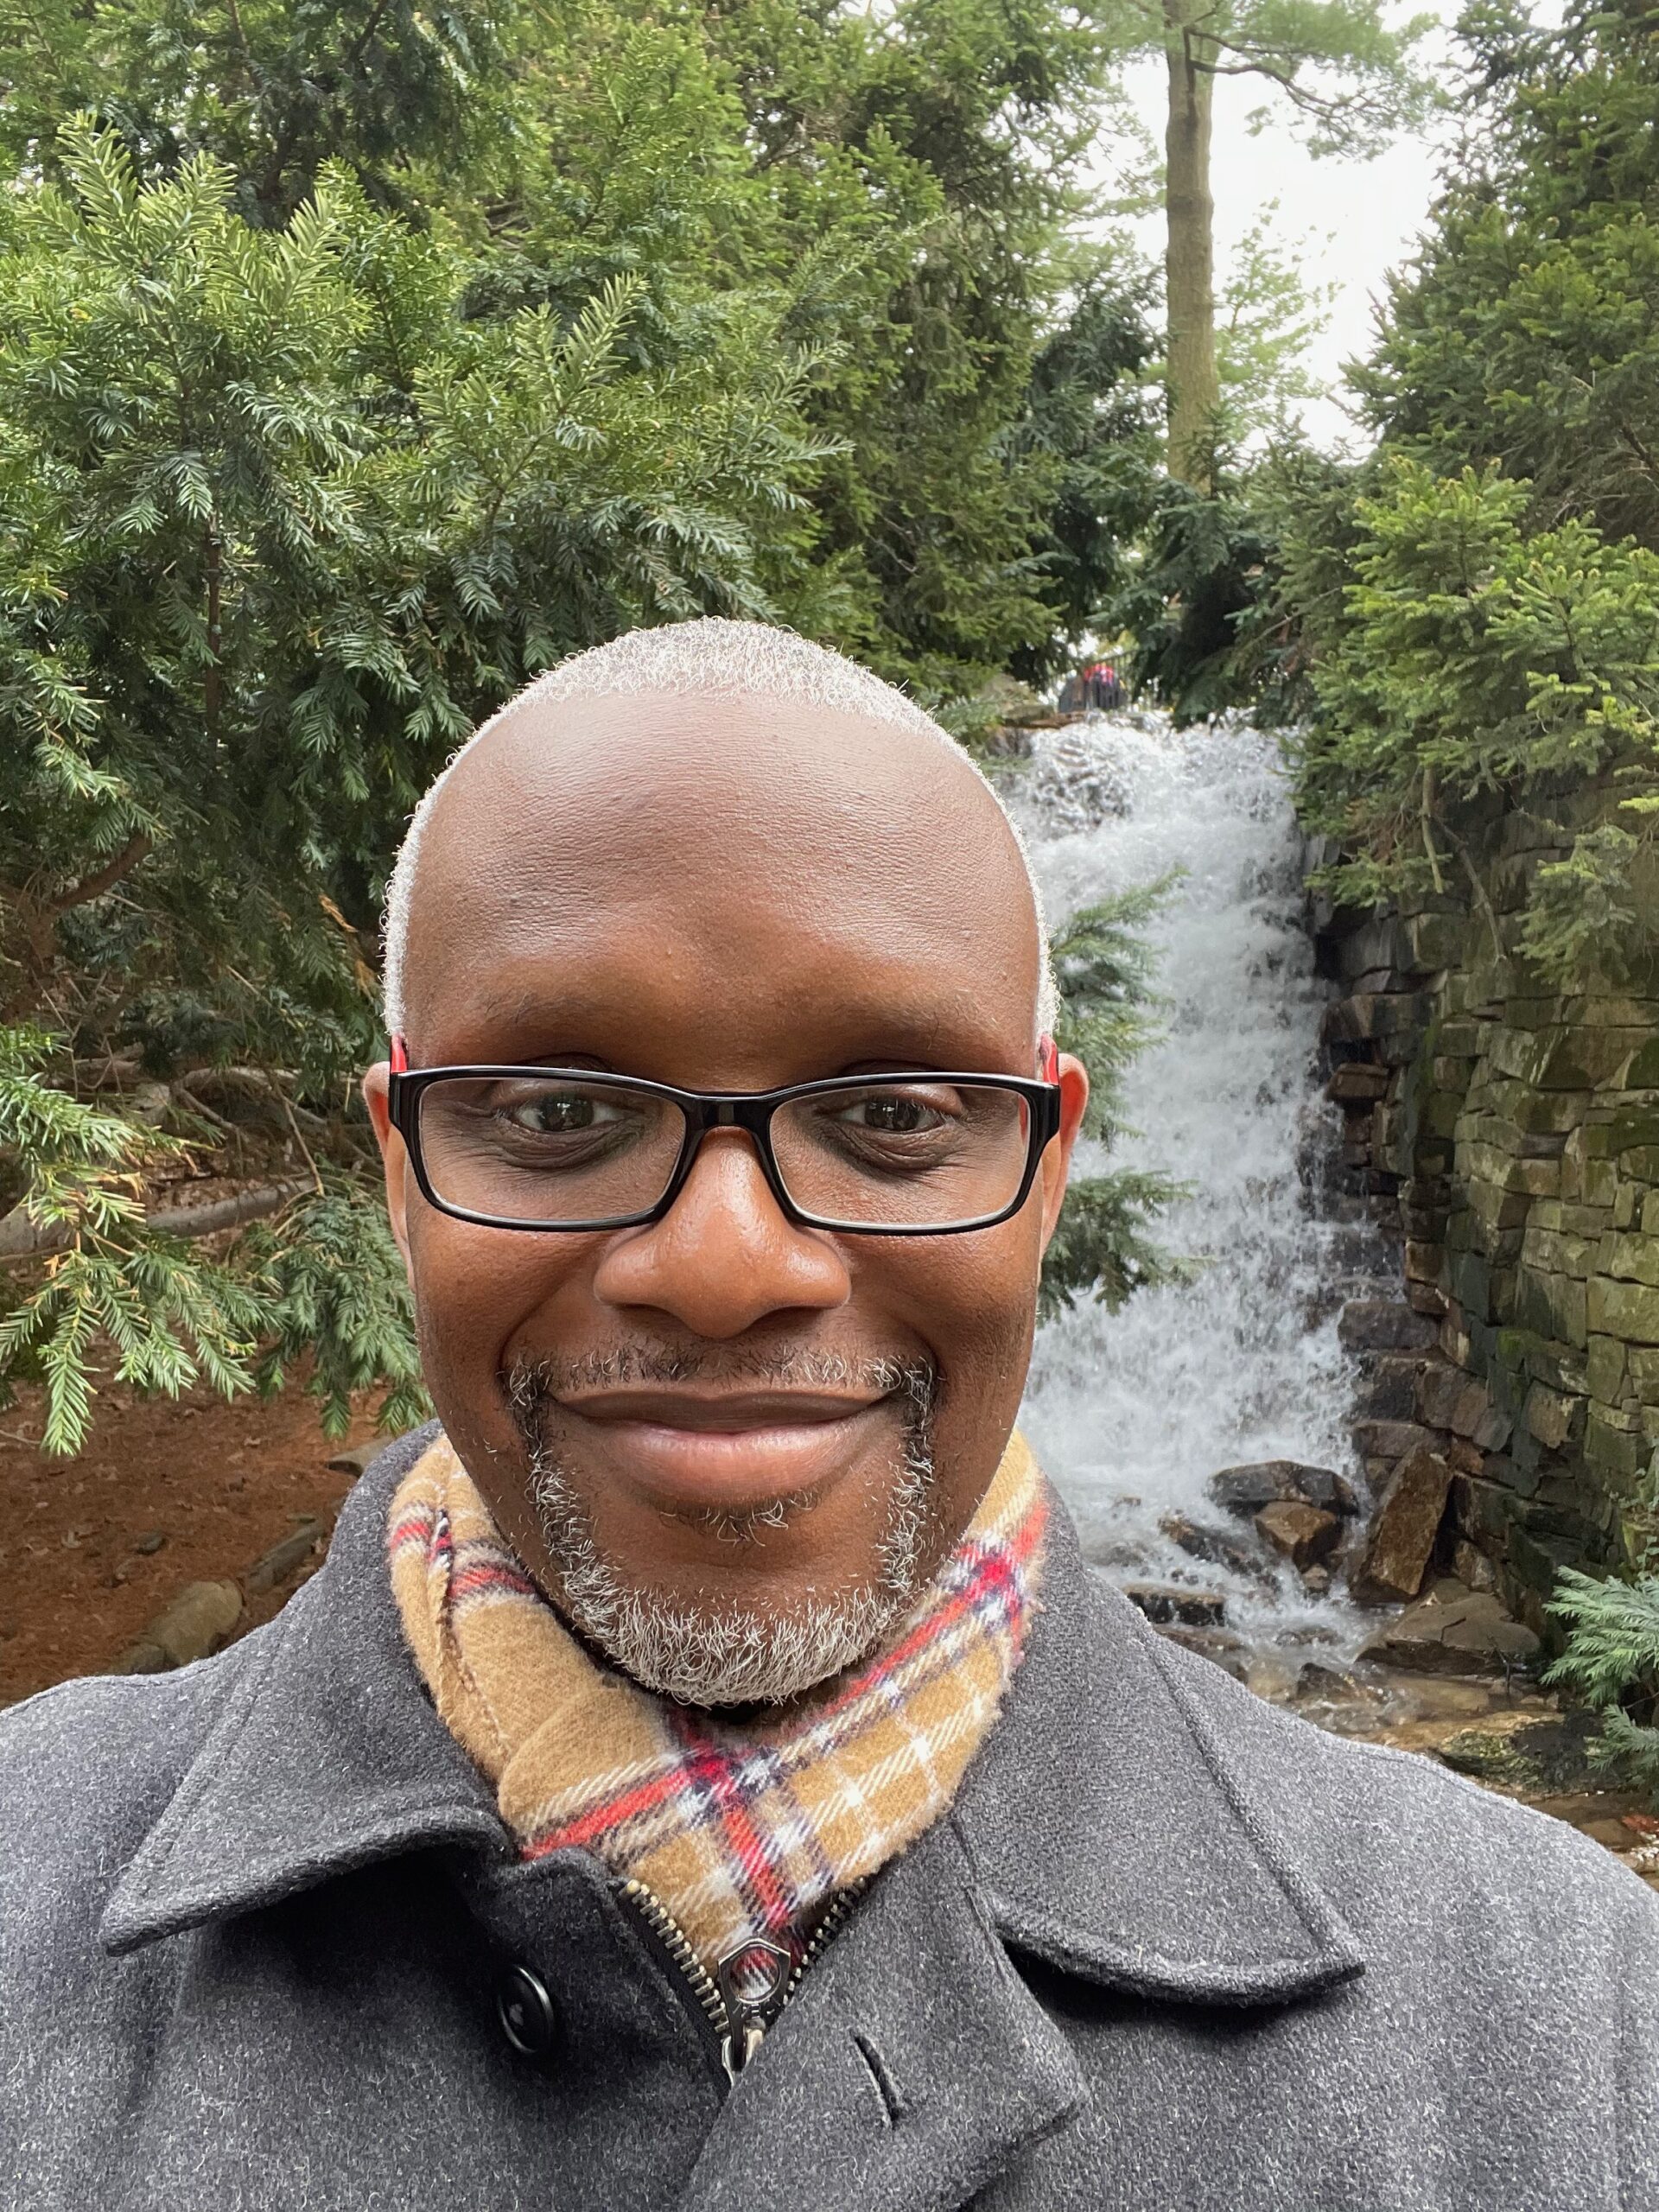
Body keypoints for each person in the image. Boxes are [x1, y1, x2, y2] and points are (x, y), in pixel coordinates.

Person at [2, 620, 1656, 2211]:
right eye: (560, 1112)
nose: (728, 1268)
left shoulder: (1569, 2020)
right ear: (400, 1167)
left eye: (894, 1114)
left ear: (1046, 1167)